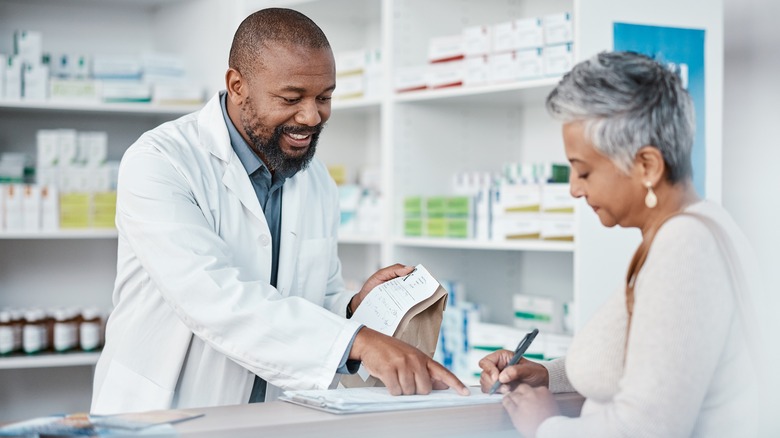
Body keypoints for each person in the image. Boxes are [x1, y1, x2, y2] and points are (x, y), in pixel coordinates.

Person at [91, 8, 467, 414]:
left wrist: (353, 307)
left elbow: (312, 295)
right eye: (291, 99)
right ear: (237, 85)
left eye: (324, 97)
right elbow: (212, 298)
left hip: (272, 414)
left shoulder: (315, 178)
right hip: (165, 411)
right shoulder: (161, 161)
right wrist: (357, 342)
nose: (311, 116)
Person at [479, 51, 761, 437]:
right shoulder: (689, 230)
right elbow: (647, 367)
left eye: (584, 171)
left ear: (646, 166)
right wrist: (548, 376)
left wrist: (545, 424)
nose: (575, 189)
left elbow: (648, 427)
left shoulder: (686, 247)